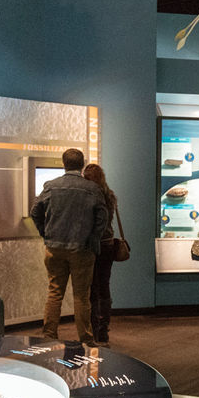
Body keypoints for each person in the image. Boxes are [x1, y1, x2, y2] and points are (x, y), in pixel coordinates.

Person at [30, 148, 109, 344]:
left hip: (54, 248)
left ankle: (49, 335)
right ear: (81, 165)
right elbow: (102, 217)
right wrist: (93, 239)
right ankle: (86, 339)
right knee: (82, 296)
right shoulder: (92, 189)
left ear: (64, 164)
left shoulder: (51, 186)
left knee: (55, 292)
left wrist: (45, 233)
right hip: (82, 249)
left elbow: (35, 212)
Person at [82, 162, 119, 345]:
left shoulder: (89, 196)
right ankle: (104, 329)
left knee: (92, 288)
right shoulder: (110, 195)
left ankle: (94, 329)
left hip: (93, 245)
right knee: (105, 285)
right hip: (109, 244)